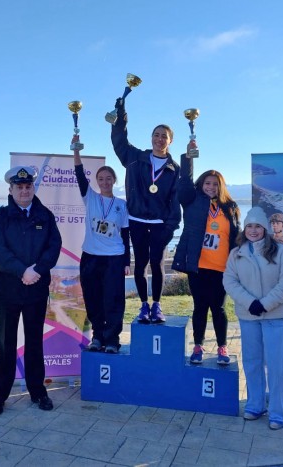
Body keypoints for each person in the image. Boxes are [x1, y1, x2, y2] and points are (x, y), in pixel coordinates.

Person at [0, 166, 62, 417]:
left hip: (36, 291)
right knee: (5, 344)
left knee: (34, 343)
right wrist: (22, 271)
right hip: (8, 291)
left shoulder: (45, 215)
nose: (24, 190)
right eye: (19, 187)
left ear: (33, 188)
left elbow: (54, 246)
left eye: (28, 186)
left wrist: (37, 270)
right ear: (11, 189)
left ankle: (37, 391)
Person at [223, 207, 283, 430]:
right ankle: (255, 404)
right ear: (244, 229)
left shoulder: (281, 252)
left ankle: (277, 412)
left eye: (257, 226)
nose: (253, 230)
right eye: (249, 226)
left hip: (275, 316)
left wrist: (264, 304)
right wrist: (250, 303)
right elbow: (229, 282)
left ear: (265, 228)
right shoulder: (236, 254)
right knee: (252, 362)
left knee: (276, 365)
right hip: (249, 316)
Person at [111, 96, 181, 324]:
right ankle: (143, 305)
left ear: (170, 141)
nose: (160, 139)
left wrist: (171, 227)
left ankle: (157, 306)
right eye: (156, 135)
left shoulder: (174, 168)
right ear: (151, 138)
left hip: (160, 223)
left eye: (164, 136)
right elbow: (120, 141)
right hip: (136, 219)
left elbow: (176, 199)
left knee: (158, 264)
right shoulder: (135, 157)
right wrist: (121, 116)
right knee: (140, 263)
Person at [171, 139, 240, 365]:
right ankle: (198, 347)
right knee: (200, 307)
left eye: (215, 184)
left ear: (221, 186)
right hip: (198, 266)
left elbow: (236, 236)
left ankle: (222, 347)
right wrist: (188, 157)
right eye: (207, 183)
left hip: (222, 267)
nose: (211, 187)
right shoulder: (192, 201)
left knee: (218, 308)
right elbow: (183, 183)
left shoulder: (230, 208)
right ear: (201, 184)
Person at [72, 136, 130, 354]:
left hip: (114, 257)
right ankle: (97, 337)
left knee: (113, 300)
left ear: (114, 181)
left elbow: (125, 235)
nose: (105, 182)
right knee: (93, 298)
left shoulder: (122, 205)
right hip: (90, 257)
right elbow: (79, 174)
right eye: (101, 179)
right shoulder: (90, 198)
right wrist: (76, 150)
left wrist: (126, 262)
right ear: (96, 181)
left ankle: (113, 339)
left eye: (108, 178)